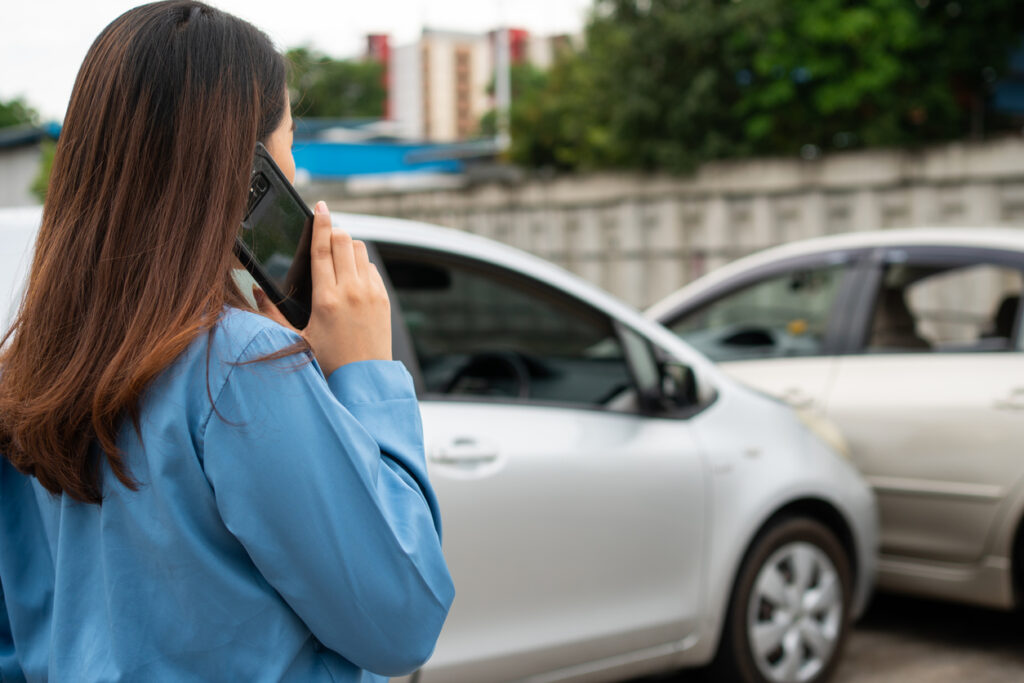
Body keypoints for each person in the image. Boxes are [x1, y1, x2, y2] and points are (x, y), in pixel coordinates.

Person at [0, 2, 454, 681]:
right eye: (290, 140)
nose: (295, 169)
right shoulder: (239, 368)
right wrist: (366, 371)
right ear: (243, 174)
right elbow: (403, 619)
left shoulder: (26, 371)